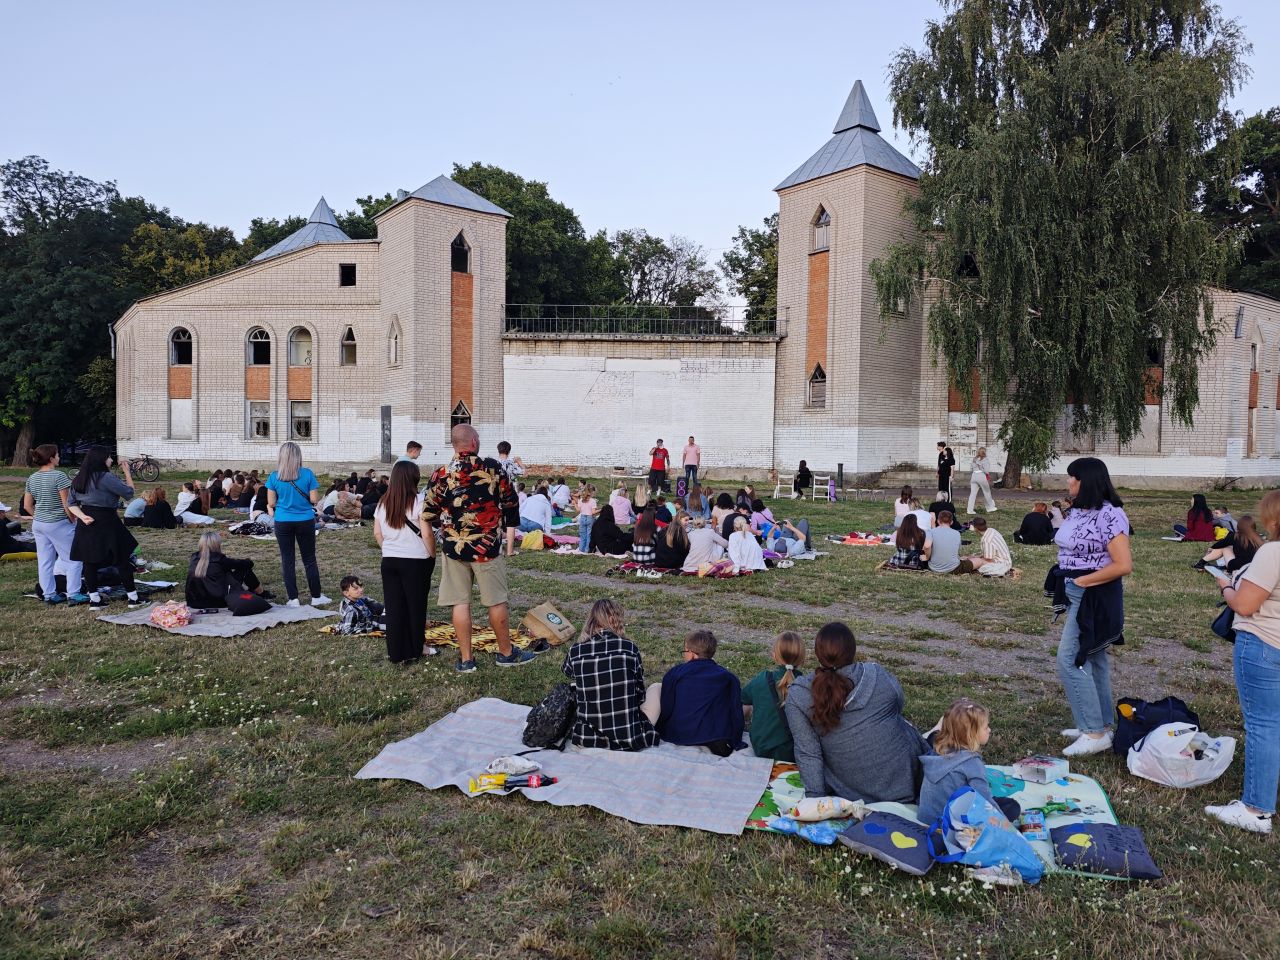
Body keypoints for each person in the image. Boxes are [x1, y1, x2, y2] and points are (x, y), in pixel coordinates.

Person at [421, 423, 536, 673]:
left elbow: (428, 512)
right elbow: (510, 501)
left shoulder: (441, 474)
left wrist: (447, 524)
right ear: (474, 442)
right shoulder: (492, 468)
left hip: (454, 547)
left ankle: (466, 660)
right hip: (487, 548)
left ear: (454, 445)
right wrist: (506, 525)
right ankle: (506, 653)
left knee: (460, 603)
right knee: (496, 601)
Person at [784, 622, 927, 803]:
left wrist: (815, 802)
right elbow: (898, 707)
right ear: (853, 651)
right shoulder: (879, 675)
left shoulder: (799, 694)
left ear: (818, 655)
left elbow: (808, 752)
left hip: (851, 793)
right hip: (907, 783)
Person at [1208, 489, 1280, 834]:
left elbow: (1246, 604)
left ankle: (1256, 808)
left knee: (1264, 725)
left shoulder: (1272, 552)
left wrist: (1225, 586)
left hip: (1264, 643)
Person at [1052, 457, 1131, 758]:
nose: (1068, 482)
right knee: (1094, 657)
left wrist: (1084, 581)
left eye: (1072, 477)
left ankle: (1094, 732)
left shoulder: (1110, 515)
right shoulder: (1078, 510)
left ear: (1087, 481)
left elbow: (1123, 565)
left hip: (1095, 593)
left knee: (1069, 658)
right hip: (1076, 588)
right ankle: (1101, 724)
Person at [562, 599, 659, 751]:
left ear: (591, 619)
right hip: (628, 736)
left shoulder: (576, 650)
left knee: (576, 687)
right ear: (617, 619)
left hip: (588, 739)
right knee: (657, 687)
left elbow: (567, 671)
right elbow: (640, 695)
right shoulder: (629, 648)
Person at [918, 698, 1020, 826]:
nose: (989, 730)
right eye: (986, 727)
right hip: (953, 823)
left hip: (927, 816)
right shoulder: (972, 763)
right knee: (1012, 807)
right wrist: (1006, 827)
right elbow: (985, 800)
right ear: (971, 734)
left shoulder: (937, 750)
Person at [374, 460, 436, 663]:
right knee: (415, 606)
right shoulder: (419, 501)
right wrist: (432, 554)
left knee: (394, 607)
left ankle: (396, 651)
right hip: (415, 560)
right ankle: (416, 648)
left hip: (390, 559)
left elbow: (377, 532)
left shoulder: (383, 501)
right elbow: (427, 534)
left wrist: (387, 549)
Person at [69, 446, 145, 610]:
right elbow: (129, 493)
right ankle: (133, 598)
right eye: (109, 457)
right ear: (102, 459)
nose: (111, 460)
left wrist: (82, 516)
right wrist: (127, 473)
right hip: (107, 520)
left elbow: (71, 503)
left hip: (86, 521)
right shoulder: (106, 477)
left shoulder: (79, 478)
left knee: (89, 561)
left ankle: (94, 600)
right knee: (121, 558)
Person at [646, 630, 744, 756]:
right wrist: (736, 739)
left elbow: (667, 706)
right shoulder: (728, 677)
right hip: (715, 732)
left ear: (692, 654)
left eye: (685, 651)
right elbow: (735, 710)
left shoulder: (676, 673)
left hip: (679, 732)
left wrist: (662, 726)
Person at [266, 441, 331, 608]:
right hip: (304, 520)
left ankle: (293, 598)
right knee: (309, 559)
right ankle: (316, 596)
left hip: (283, 520)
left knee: (287, 559)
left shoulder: (274, 476)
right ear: (298, 456)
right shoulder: (308, 474)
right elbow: (314, 499)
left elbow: (271, 503)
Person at [22, 444, 85, 605]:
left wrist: (38, 516)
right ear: (51, 458)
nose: (59, 457)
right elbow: (67, 503)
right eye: (57, 455)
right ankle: (74, 594)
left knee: (45, 561)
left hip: (39, 524)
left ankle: (49, 594)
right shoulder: (59, 476)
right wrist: (73, 519)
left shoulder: (32, 478)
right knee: (73, 559)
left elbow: (27, 505)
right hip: (58, 523)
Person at [741, 631, 806, 762]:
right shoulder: (807, 685)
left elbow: (742, 699)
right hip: (792, 753)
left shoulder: (762, 679)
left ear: (774, 656)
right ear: (803, 659)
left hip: (762, 748)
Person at [185, 531, 268, 608]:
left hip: (195, 602)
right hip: (220, 602)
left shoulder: (194, 558)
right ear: (217, 544)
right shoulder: (221, 560)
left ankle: (253, 592)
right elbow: (247, 564)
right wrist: (247, 560)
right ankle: (260, 593)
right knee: (245, 570)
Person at [1197, 514, 1262, 573]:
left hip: (1236, 567)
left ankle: (1201, 563)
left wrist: (1211, 548)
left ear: (1239, 526)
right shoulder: (1258, 539)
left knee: (1226, 548)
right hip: (1252, 569)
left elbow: (1221, 544)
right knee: (1231, 547)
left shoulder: (1235, 536)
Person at [927, 511, 973, 575]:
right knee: (979, 561)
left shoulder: (930, 532)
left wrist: (927, 557)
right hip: (954, 568)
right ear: (951, 522)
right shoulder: (957, 533)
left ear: (938, 521)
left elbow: (927, 546)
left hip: (933, 567)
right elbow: (957, 551)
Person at [967, 446, 997, 513]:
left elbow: (971, 469)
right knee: (987, 492)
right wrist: (982, 468)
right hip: (981, 476)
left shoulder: (974, 459)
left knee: (972, 494)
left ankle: (970, 510)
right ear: (984, 452)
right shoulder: (985, 460)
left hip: (974, 476)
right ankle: (990, 507)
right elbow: (986, 471)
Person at [576, 484, 599, 555]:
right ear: (592, 492)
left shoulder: (581, 500)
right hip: (590, 518)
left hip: (582, 518)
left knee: (582, 535)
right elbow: (593, 512)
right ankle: (587, 550)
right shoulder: (593, 501)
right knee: (589, 535)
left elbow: (578, 510)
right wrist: (600, 510)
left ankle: (581, 549)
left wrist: (575, 504)